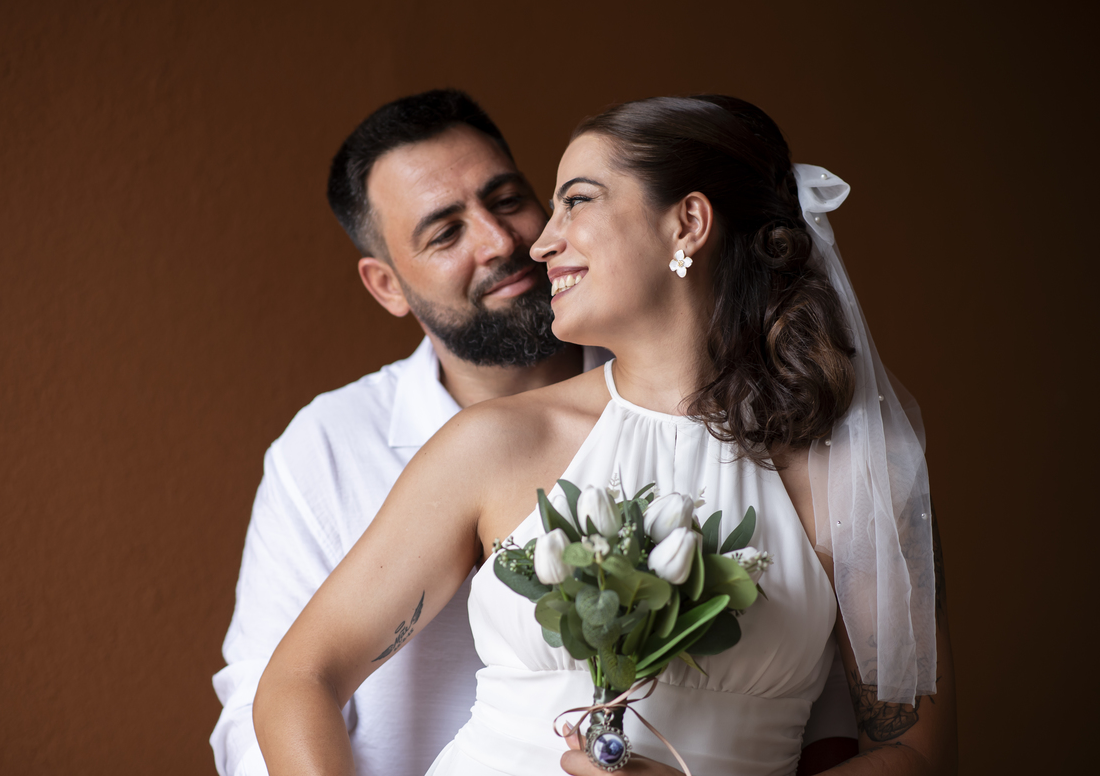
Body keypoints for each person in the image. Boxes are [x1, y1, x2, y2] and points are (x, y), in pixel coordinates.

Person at [217, 91, 860, 776]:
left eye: (513, 199)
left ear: (689, 225)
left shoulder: (834, 457)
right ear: (387, 286)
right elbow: (282, 685)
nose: (513, 242)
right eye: (445, 232)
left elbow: (861, 729)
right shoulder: (341, 449)